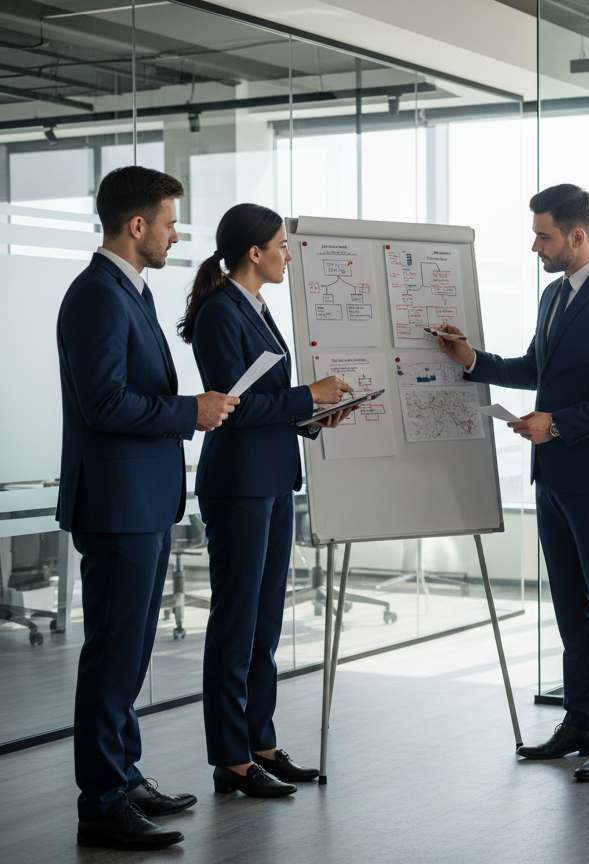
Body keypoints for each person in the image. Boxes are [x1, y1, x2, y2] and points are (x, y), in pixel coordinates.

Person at [434, 183, 589, 780]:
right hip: (553, 474)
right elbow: (537, 368)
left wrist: (557, 423)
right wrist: (473, 360)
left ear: (577, 236)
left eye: (544, 235)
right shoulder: (554, 296)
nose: (535, 246)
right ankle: (581, 719)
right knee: (571, 608)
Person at [57, 166, 240, 850]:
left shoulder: (127, 291)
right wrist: (190, 411)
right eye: (168, 223)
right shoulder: (97, 296)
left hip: (141, 500)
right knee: (112, 654)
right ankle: (101, 802)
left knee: (129, 651)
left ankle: (122, 776)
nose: (172, 236)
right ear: (136, 226)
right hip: (115, 503)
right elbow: (104, 404)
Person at [179, 204, 354, 798]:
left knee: (265, 625)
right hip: (239, 486)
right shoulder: (218, 314)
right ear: (254, 253)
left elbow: (270, 402)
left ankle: (260, 742)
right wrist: (308, 396)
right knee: (236, 623)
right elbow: (230, 407)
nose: (287, 253)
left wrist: (318, 414)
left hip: (273, 479)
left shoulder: (257, 308)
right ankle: (230, 757)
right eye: (281, 245)